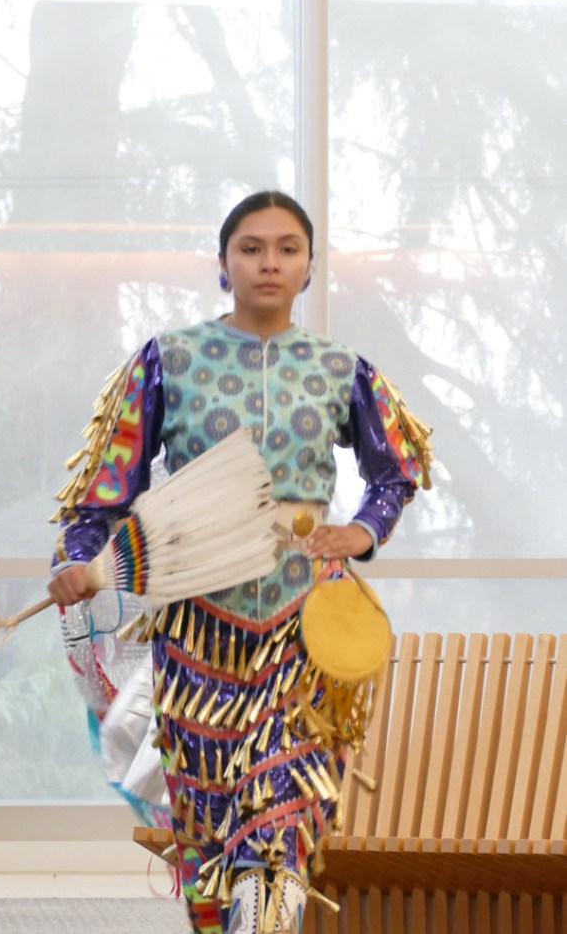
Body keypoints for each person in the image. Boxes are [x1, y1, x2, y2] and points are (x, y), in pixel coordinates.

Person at [47, 191, 429, 934]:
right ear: (223, 264)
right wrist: (83, 563)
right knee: (211, 828)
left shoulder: (338, 367)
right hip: (200, 630)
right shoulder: (170, 359)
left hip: (306, 628)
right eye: (251, 248)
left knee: (284, 812)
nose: (270, 262)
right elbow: (99, 493)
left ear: (310, 266)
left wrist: (363, 530)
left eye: (287, 248)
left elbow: (398, 467)